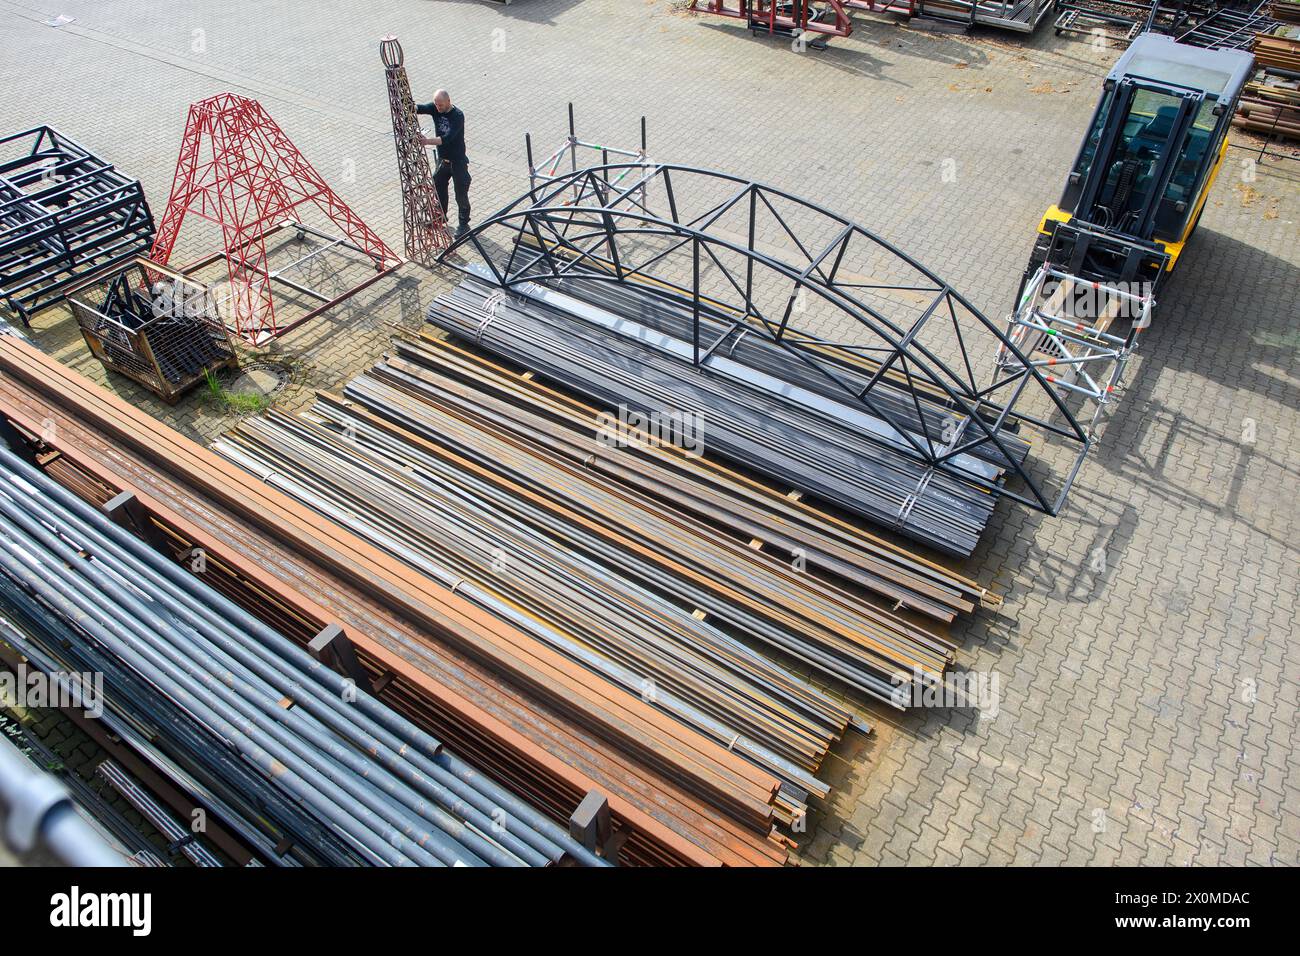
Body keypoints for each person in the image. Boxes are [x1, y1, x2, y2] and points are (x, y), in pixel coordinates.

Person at [416, 90, 470, 239]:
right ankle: (440, 217)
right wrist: (409, 106)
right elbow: (420, 108)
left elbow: (447, 138)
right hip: (443, 161)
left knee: (461, 194)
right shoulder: (435, 108)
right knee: (438, 188)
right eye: (436, 104)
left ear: (448, 101)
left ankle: (464, 224)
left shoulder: (458, 116)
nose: (437, 107)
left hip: (457, 162)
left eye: (440, 105)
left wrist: (426, 141)